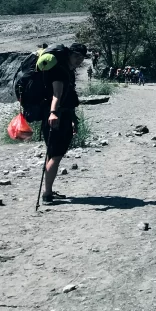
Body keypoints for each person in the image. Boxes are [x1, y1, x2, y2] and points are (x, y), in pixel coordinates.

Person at [41, 42, 88, 204]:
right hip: (57, 117)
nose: (79, 60)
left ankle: (49, 191)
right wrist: (53, 113)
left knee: (53, 154)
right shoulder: (60, 72)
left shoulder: (67, 71)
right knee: (56, 155)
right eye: (76, 56)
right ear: (68, 54)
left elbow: (69, 98)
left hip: (62, 116)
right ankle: (47, 194)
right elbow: (57, 95)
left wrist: (74, 119)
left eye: (82, 57)